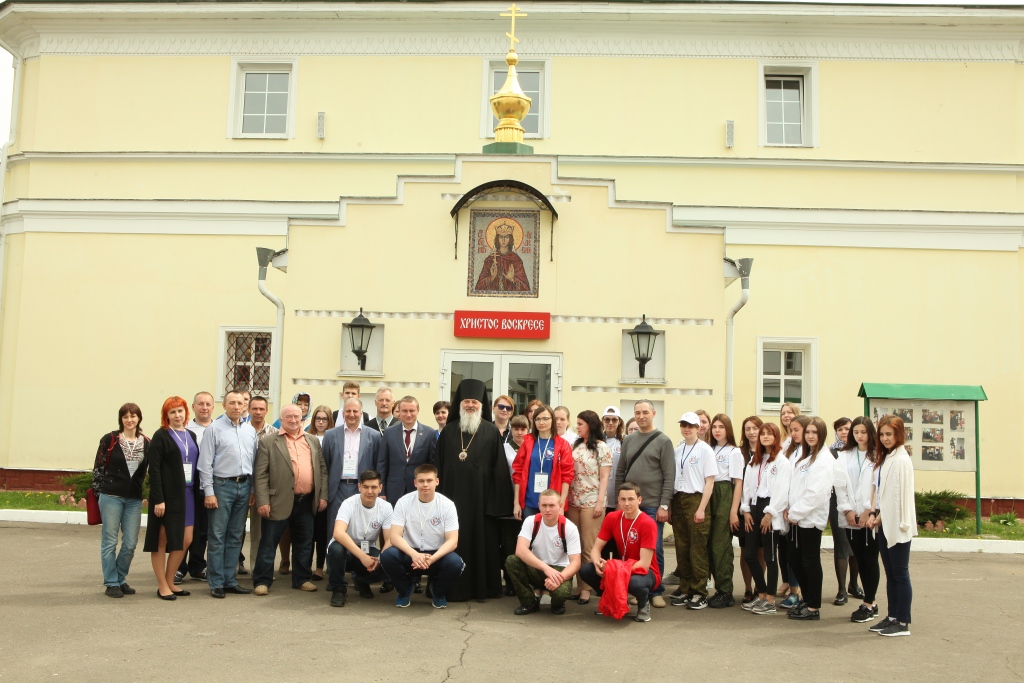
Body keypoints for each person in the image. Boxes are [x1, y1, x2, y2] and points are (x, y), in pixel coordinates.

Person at [435, 379, 515, 601]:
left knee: (481, 544)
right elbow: (438, 468)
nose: (470, 405)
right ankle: (450, 586)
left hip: (481, 504)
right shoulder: (449, 431)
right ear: (460, 404)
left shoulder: (490, 432)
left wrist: (494, 505)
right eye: (466, 401)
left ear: (482, 404)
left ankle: (482, 589)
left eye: (474, 401)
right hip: (451, 501)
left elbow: (499, 472)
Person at [252, 404, 328, 596]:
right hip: (278, 501)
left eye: (297, 416)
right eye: (289, 417)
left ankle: (302, 578)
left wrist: (322, 495)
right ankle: (262, 581)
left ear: (302, 418)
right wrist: (263, 501)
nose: (293, 420)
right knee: (269, 542)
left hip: (306, 501)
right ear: (282, 419)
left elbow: (322, 470)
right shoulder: (269, 441)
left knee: (304, 542)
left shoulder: (312, 440)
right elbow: (260, 474)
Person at [613, 400, 674, 608]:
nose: (641, 416)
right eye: (637, 413)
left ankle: (656, 591)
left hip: (651, 506)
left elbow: (669, 476)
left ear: (654, 414)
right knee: (632, 550)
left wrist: (664, 505)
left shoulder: (663, 441)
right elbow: (620, 472)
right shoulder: (629, 440)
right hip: (629, 506)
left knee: (654, 550)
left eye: (645, 412)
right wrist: (618, 501)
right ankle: (636, 589)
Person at [197, 390, 258, 599]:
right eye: (232, 403)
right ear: (224, 405)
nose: (236, 406)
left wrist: (251, 490)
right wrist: (209, 492)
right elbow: (205, 464)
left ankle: (230, 580)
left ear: (244, 407)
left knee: (235, 536)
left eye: (240, 403)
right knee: (217, 536)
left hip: (244, 486)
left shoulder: (250, 431)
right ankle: (216, 582)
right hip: (222, 487)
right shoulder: (214, 429)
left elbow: (254, 463)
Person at [380, 464, 464, 608]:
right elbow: (394, 536)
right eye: (421, 481)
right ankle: (405, 589)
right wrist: (414, 555)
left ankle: (437, 592)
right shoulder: (403, 502)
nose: (425, 484)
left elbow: (452, 541)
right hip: (410, 553)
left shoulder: (447, 505)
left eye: (429, 480)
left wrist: (432, 559)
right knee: (387, 556)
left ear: (437, 481)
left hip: (436, 554)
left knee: (456, 563)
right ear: (415, 483)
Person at [579, 482, 661, 623]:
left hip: (645, 572)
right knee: (587, 570)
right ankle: (611, 599)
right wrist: (598, 563)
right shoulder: (612, 518)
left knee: (636, 583)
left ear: (639, 500)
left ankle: (643, 604)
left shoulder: (648, 523)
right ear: (618, 500)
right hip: (622, 566)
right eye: (623, 499)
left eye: (631, 499)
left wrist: (612, 569)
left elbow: (644, 564)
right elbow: (596, 549)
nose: (626, 503)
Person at [93, 403, 149, 598]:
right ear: (121, 419)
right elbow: (98, 467)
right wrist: (99, 493)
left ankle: (120, 577)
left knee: (131, 542)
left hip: (133, 498)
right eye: (125, 417)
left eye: (133, 416)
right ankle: (111, 582)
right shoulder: (110, 439)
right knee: (109, 541)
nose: (129, 420)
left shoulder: (146, 442)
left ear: (139, 418)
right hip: (111, 496)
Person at [145, 397, 199, 600]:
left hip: (188, 494)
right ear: (166, 416)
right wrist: (159, 499)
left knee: (185, 539)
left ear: (186, 412)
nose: (177, 415)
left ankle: (170, 581)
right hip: (167, 497)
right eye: (172, 412)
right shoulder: (161, 436)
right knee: (162, 540)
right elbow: (155, 470)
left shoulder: (191, 435)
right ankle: (161, 585)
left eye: (180, 411)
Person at [867, 415, 916, 636]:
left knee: (900, 573)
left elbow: (902, 497)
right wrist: (877, 515)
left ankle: (902, 622)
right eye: (883, 435)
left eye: (890, 434)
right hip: (885, 524)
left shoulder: (902, 460)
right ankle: (892, 616)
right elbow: (883, 493)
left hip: (898, 525)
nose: (885, 439)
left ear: (899, 434)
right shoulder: (887, 458)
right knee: (891, 575)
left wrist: (900, 522)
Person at [783, 416, 834, 620]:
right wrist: (789, 509)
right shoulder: (806, 456)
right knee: (795, 559)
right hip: (796, 519)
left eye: (814, 432)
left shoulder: (824, 459)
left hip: (809, 519)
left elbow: (816, 494)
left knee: (810, 561)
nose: (810, 436)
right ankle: (807, 598)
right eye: (808, 432)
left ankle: (813, 606)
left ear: (821, 434)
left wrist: (795, 513)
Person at [322, 397, 382, 566]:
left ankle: (359, 571)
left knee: (362, 530)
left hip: (362, 488)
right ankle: (334, 571)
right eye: (348, 411)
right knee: (335, 529)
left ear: (361, 413)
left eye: (355, 411)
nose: (352, 414)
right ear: (343, 413)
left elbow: (378, 464)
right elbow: (325, 464)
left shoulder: (374, 436)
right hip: (338, 488)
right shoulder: (331, 434)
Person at [740, 422, 791, 615]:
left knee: (770, 555)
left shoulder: (782, 462)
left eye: (770, 434)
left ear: (776, 437)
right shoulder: (755, 460)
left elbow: (781, 490)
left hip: (770, 509)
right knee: (750, 554)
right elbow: (747, 487)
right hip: (753, 508)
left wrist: (770, 514)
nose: (765, 437)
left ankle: (770, 599)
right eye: (763, 434)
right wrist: (745, 511)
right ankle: (760, 593)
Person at [835, 416, 881, 624]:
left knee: (869, 559)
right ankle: (869, 602)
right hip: (850, 517)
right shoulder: (845, 455)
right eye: (856, 432)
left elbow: (877, 487)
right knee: (859, 559)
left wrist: (867, 511)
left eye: (863, 432)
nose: (859, 436)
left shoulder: (878, 455)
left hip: (868, 517)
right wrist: (846, 511)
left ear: (870, 433)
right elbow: (840, 485)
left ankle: (870, 603)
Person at [506, 489, 582, 615]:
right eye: (544, 505)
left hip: (559, 570)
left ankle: (557, 603)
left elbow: (576, 562)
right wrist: (546, 568)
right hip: (537, 567)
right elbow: (520, 550)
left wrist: (559, 578)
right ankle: (529, 602)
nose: (547, 509)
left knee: (561, 594)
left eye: (552, 505)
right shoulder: (531, 521)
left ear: (560, 506)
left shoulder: (569, 528)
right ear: (539, 506)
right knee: (512, 560)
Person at [668, 412, 717, 610]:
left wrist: (702, 508)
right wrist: (670, 505)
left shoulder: (705, 450)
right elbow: (673, 481)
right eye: (683, 425)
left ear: (698, 428)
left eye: (690, 426)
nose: (686, 429)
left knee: (698, 549)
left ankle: (700, 592)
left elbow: (710, 482)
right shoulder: (678, 450)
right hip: (679, 499)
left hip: (696, 499)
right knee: (682, 547)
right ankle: (686, 588)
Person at [327, 469, 394, 607]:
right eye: (366, 487)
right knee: (336, 549)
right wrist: (362, 556)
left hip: (368, 548)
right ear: (359, 487)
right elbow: (338, 533)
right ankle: (339, 588)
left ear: (380, 488)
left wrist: (380, 558)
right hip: (346, 548)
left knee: (390, 560)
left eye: (374, 487)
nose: (370, 491)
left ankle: (362, 580)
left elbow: (389, 539)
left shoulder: (386, 507)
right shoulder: (348, 503)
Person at [564, 410, 611, 604]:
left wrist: (600, 502)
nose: (577, 427)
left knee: (589, 546)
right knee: (575, 545)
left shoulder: (601, 447)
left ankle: (587, 588)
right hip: (574, 501)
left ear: (590, 425)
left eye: (580, 423)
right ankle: (578, 585)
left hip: (592, 502)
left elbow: (604, 477)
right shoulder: (576, 445)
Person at [706, 413, 744, 608]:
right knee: (709, 543)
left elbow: (738, 483)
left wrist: (733, 510)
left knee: (720, 544)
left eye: (721, 426)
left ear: (728, 429)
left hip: (724, 493)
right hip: (708, 492)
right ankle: (714, 585)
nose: (717, 430)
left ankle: (726, 589)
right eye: (714, 427)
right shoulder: (708, 449)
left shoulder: (734, 452)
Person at [176, 391, 214, 585]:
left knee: (202, 529)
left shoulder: (217, 428)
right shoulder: (185, 429)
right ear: (193, 407)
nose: (204, 407)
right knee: (185, 527)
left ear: (213, 407)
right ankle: (179, 567)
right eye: (200, 404)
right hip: (188, 485)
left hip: (209, 485)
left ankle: (198, 566)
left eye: (208, 404)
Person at [512, 405, 573, 519]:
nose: (541, 422)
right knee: (531, 535)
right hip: (529, 502)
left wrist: (561, 504)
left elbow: (567, 476)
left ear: (552, 420)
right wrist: (516, 503)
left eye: (545, 418)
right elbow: (518, 473)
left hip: (552, 504)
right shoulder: (527, 442)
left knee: (551, 536)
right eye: (538, 419)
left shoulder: (563, 445)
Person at [377, 396, 437, 503]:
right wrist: (381, 491)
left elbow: (432, 464)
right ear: (399, 412)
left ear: (418, 411)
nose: (408, 414)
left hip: (419, 489)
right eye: (404, 411)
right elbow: (382, 463)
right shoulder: (389, 433)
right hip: (393, 490)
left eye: (412, 410)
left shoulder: (429, 433)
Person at [242, 396, 277, 580]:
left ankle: (258, 569)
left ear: (266, 411)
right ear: (248, 410)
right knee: (235, 532)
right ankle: (230, 568)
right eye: (254, 408)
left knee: (259, 533)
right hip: (240, 486)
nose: (257, 412)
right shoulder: (241, 430)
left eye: (261, 409)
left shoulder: (274, 433)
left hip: (263, 490)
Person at [778, 414, 811, 608]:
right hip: (787, 509)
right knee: (790, 553)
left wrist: (796, 509)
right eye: (792, 430)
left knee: (804, 555)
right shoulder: (788, 450)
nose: (794, 433)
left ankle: (804, 594)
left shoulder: (812, 453)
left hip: (802, 511)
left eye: (797, 430)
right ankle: (793, 592)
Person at [828, 416, 861, 605]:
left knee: (855, 546)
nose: (844, 432)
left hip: (855, 502)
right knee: (841, 544)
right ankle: (841, 589)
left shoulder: (858, 451)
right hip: (835, 502)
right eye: (840, 429)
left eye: (847, 428)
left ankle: (854, 584)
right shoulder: (831, 452)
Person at [500, 415, 530, 595]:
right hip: (508, 501)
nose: (520, 432)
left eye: (523, 429)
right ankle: (511, 582)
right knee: (509, 544)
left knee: (527, 543)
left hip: (528, 501)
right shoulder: (504, 448)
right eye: (516, 428)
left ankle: (527, 581)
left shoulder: (533, 448)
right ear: (511, 429)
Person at [734, 415, 763, 606]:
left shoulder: (769, 452)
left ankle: (760, 587)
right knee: (746, 550)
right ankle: (747, 588)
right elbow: (738, 483)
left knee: (761, 550)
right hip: (744, 508)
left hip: (762, 508)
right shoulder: (740, 453)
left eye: (755, 428)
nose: (751, 432)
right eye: (747, 429)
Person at [304, 404, 335, 579]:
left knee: (322, 531)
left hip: (326, 489)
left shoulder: (333, 436)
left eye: (324, 419)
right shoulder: (307, 436)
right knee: (308, 531)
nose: (321, 422)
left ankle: (319, 567)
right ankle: (305, 565)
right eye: (318, 418)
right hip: (309, 489)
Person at [475, 220, 530, 292]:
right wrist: (491, 278)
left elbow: (526, 289)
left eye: (506, 237)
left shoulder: (516, 260)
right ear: (497, 239)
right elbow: (478, 288)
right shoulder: (490, 259)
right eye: (501, 237)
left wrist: (512, 279)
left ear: (510, 239)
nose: (503, 240)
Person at [601, 407, 624, 515]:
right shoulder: (596, 440)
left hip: (616, 492)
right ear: (602, 421)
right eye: (607, 419)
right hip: (600, 494)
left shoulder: (625, 441)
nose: (610, 423)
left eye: (614, 420)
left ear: (619, 421)